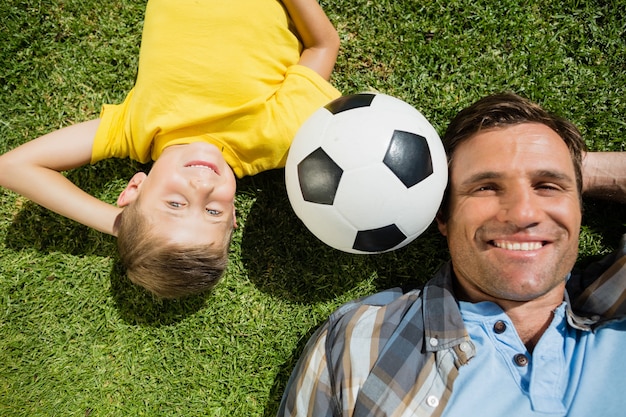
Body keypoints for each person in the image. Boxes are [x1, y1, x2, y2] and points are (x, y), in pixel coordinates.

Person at [278, 92, 626, 416]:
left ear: (579, 206)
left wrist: (579, 168)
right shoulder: (362, 340)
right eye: (486, 187)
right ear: (442, 214)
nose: (523, 214)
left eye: (548, 186)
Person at [0, 0, 341, 298]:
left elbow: (12, 168)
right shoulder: (275, 137)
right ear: (234, 215)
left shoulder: (136, 131)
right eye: (213, 212)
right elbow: (322, 46)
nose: (203, 187)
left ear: (134, 187)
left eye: (176, 204)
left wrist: (122, 223)